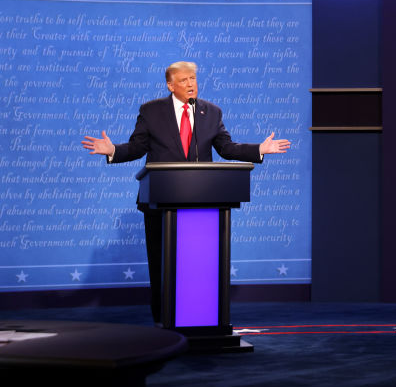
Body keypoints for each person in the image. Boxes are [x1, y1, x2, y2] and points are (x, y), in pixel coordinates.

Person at [81, 61, 291, 323]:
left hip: (202, 201)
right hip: (160, 198)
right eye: (183, 80)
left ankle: (201, 316)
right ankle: (164, 318)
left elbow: (226, 148)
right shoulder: (151, 111)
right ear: (170, 85)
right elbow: (137, 147)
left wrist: (258, 149)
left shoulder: (211, 112)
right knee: (162, 262)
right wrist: (113, 151)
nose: (191, 84)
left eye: (193, 78)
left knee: (198, 264)